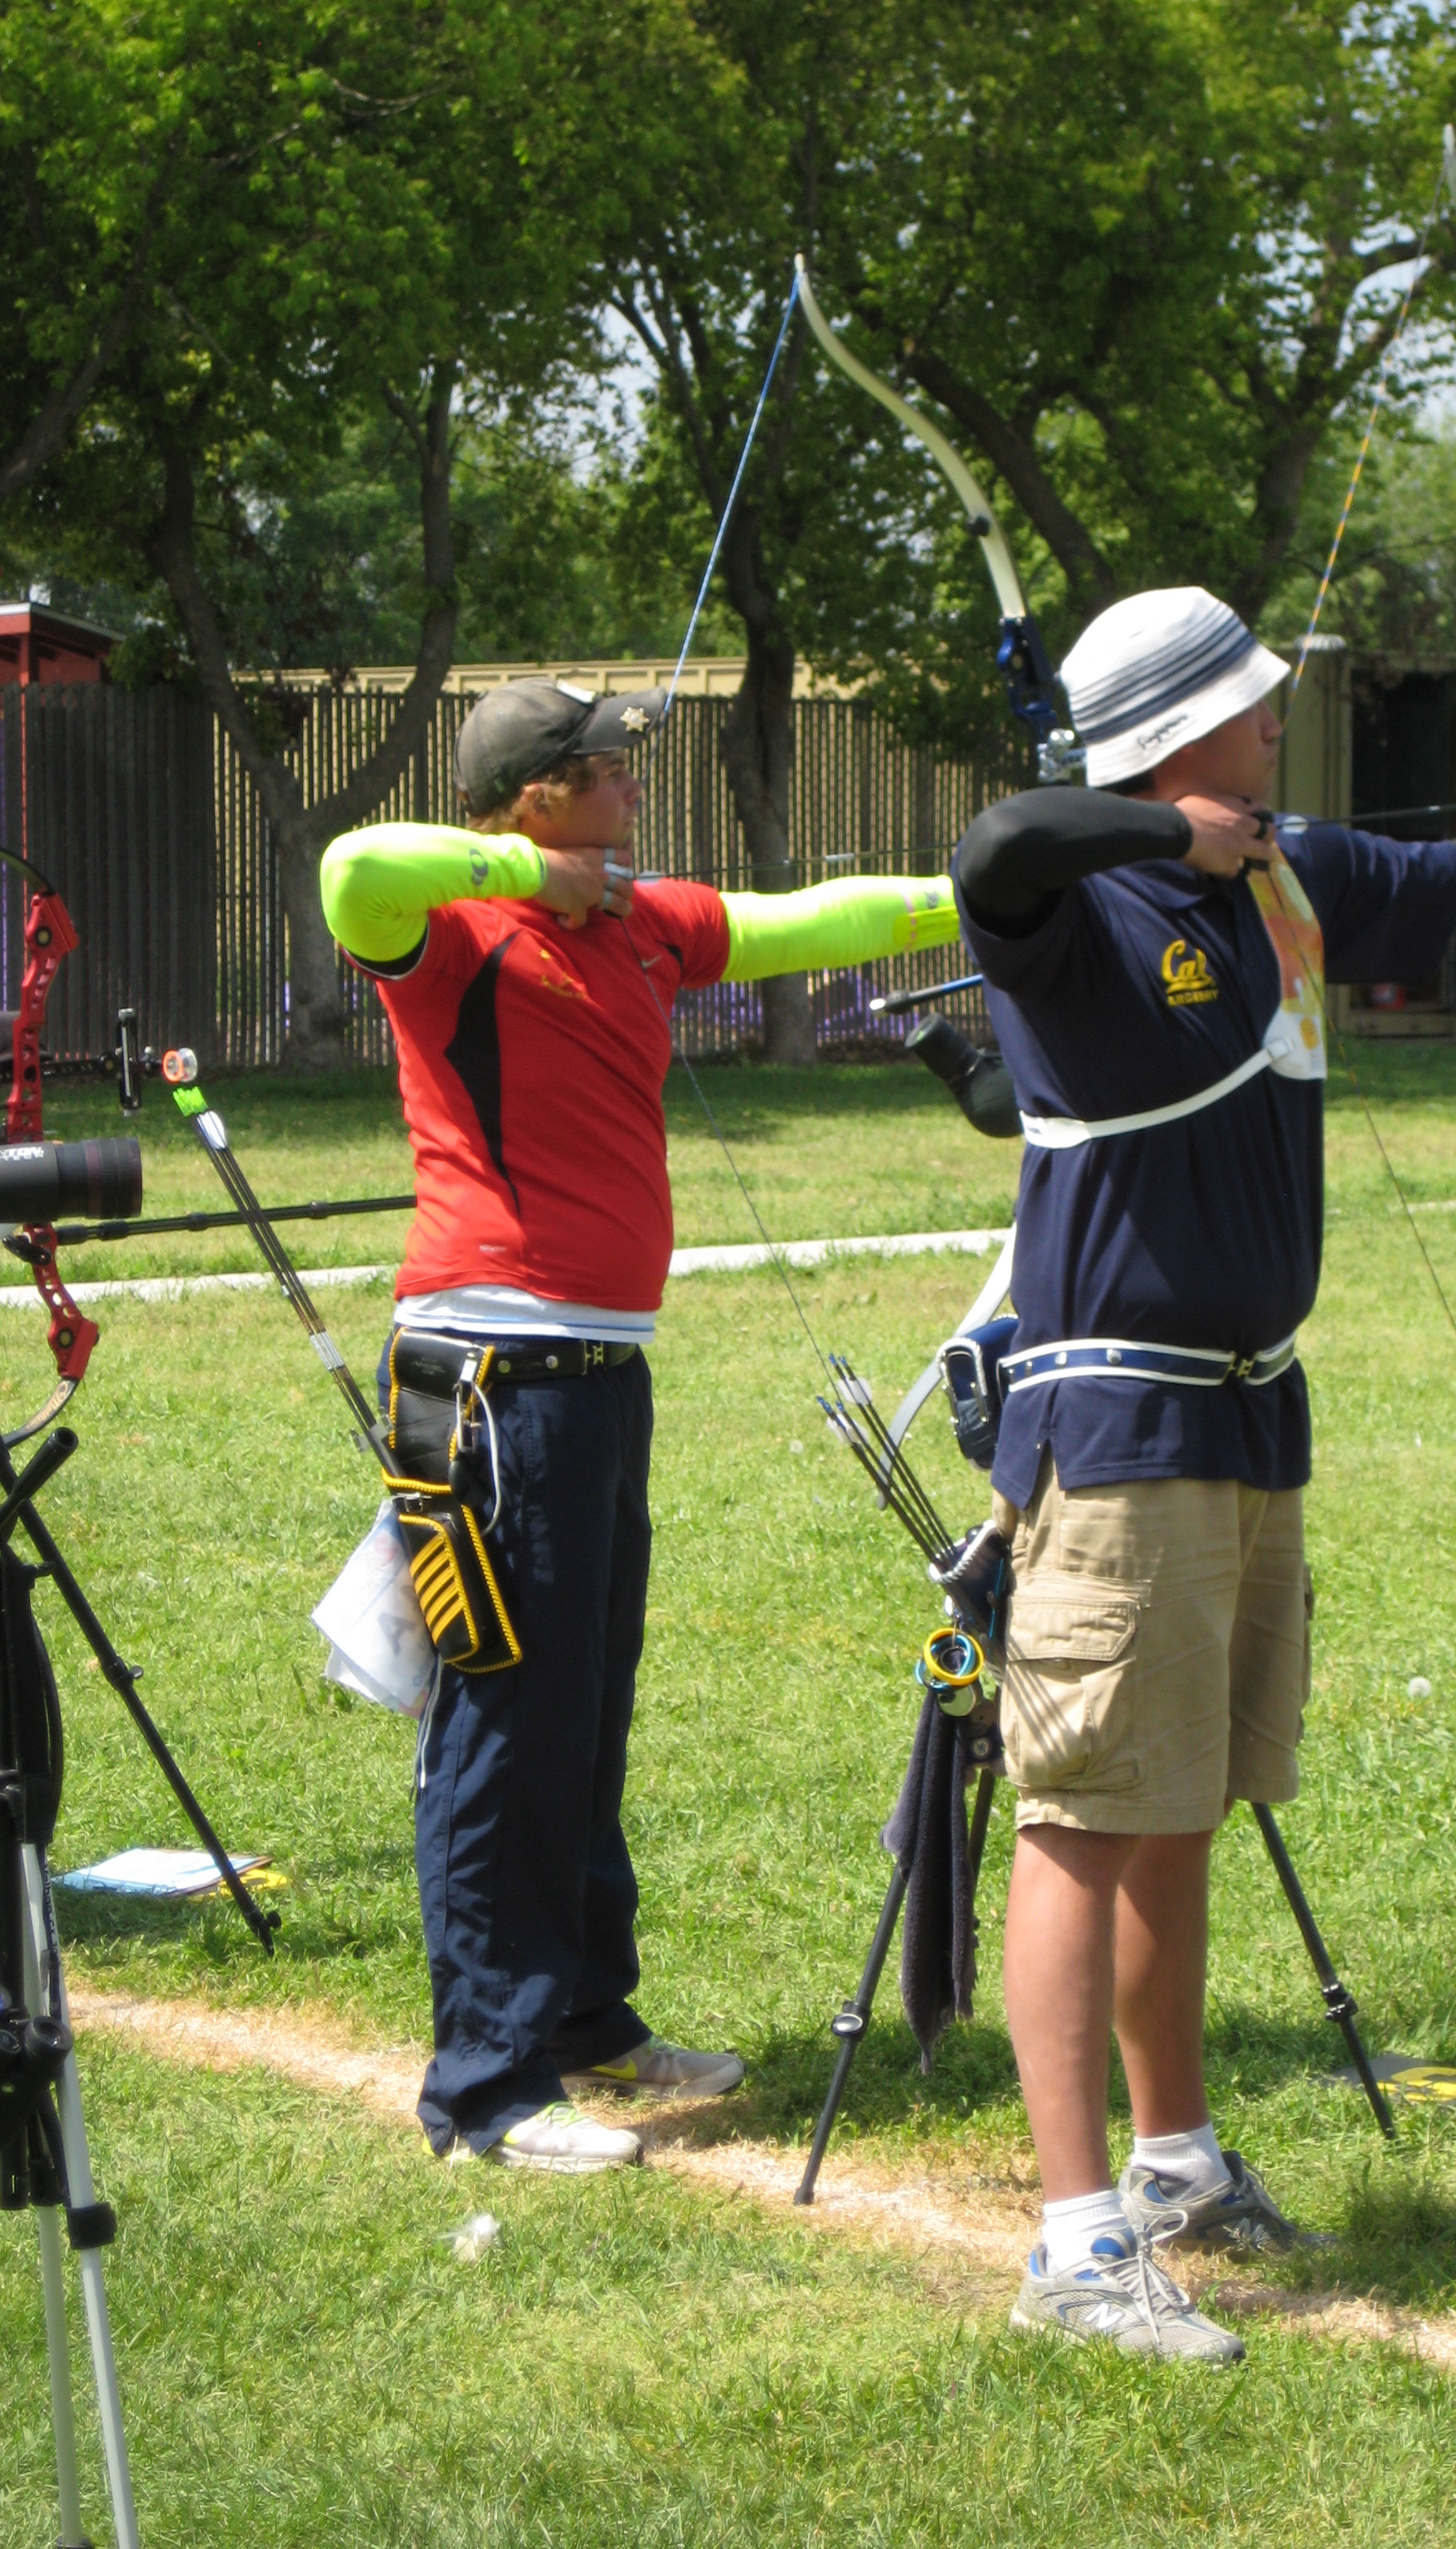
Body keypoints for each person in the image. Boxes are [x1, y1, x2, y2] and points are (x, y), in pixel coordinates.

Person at [949, 585, 1456, 2359]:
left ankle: (1173, 2165)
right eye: (1250, 704)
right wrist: (1175, 832)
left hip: (1245, 1414)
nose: (1277, 721)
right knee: (1084, 1823)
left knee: (1183, 1809)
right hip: (1119, 1422)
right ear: (1175, 737)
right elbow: (1000, 839)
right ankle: (1074, 2244)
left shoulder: (1284, 874)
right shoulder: (1080, 906)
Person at [320, 676, 961, 2171]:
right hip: (490, 1375)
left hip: (599, 1376)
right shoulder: (452, 927)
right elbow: (353, 866)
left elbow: (818, 921)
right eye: (610, 766)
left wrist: (978, 887)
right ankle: (486, 2086)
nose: (634, 784)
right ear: (539, 792)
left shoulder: (644, 919)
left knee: (586, 1707)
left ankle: (583, 2020)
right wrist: (528, 877)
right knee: (504, 1719)